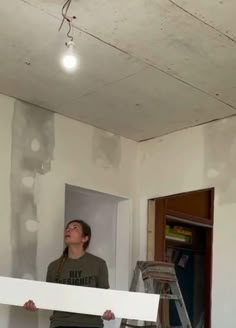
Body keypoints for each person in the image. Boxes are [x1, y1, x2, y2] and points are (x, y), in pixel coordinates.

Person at [24, 219, 115, 328]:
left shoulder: (98, 264)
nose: (68, 230)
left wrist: (107, 313)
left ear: (85, 238)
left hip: (91, 324)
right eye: (67, 228)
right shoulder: (54, 266)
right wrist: (34, 305)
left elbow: (103, 298)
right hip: (60, 323)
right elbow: (48, 297)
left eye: (74, 228)